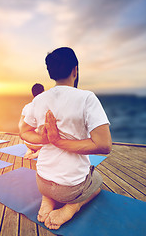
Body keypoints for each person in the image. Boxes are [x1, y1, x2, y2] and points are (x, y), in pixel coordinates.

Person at [19, 47, 112, 230]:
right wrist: (56, 141)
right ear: (75, 70)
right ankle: (72, 207)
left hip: (42, 180)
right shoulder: (86, 98)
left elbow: (23, 131)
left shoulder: (38, 100)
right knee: (98, 181)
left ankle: (48, 198)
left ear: (51, 72)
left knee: (53, 185)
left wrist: (45, 139)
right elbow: (104, 145)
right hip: (71, 188)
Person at [19, 83, 45, 159]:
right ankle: (39, 152)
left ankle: (30, 149)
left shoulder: (26, 106)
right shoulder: (46, 106)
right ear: (43, 93)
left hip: (27, 142)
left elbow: (20, 126)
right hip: (39, 143)